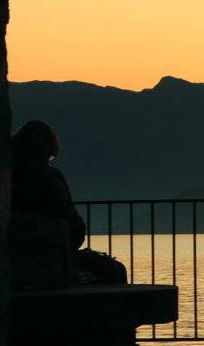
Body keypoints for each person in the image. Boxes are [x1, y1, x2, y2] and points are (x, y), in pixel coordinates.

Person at [10, 120, 126, 286]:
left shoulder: (5, 174)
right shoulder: (49, 177)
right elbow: (75, 228)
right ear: (48, 149)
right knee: (113, 270)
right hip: (51, 265)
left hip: (14, 263)